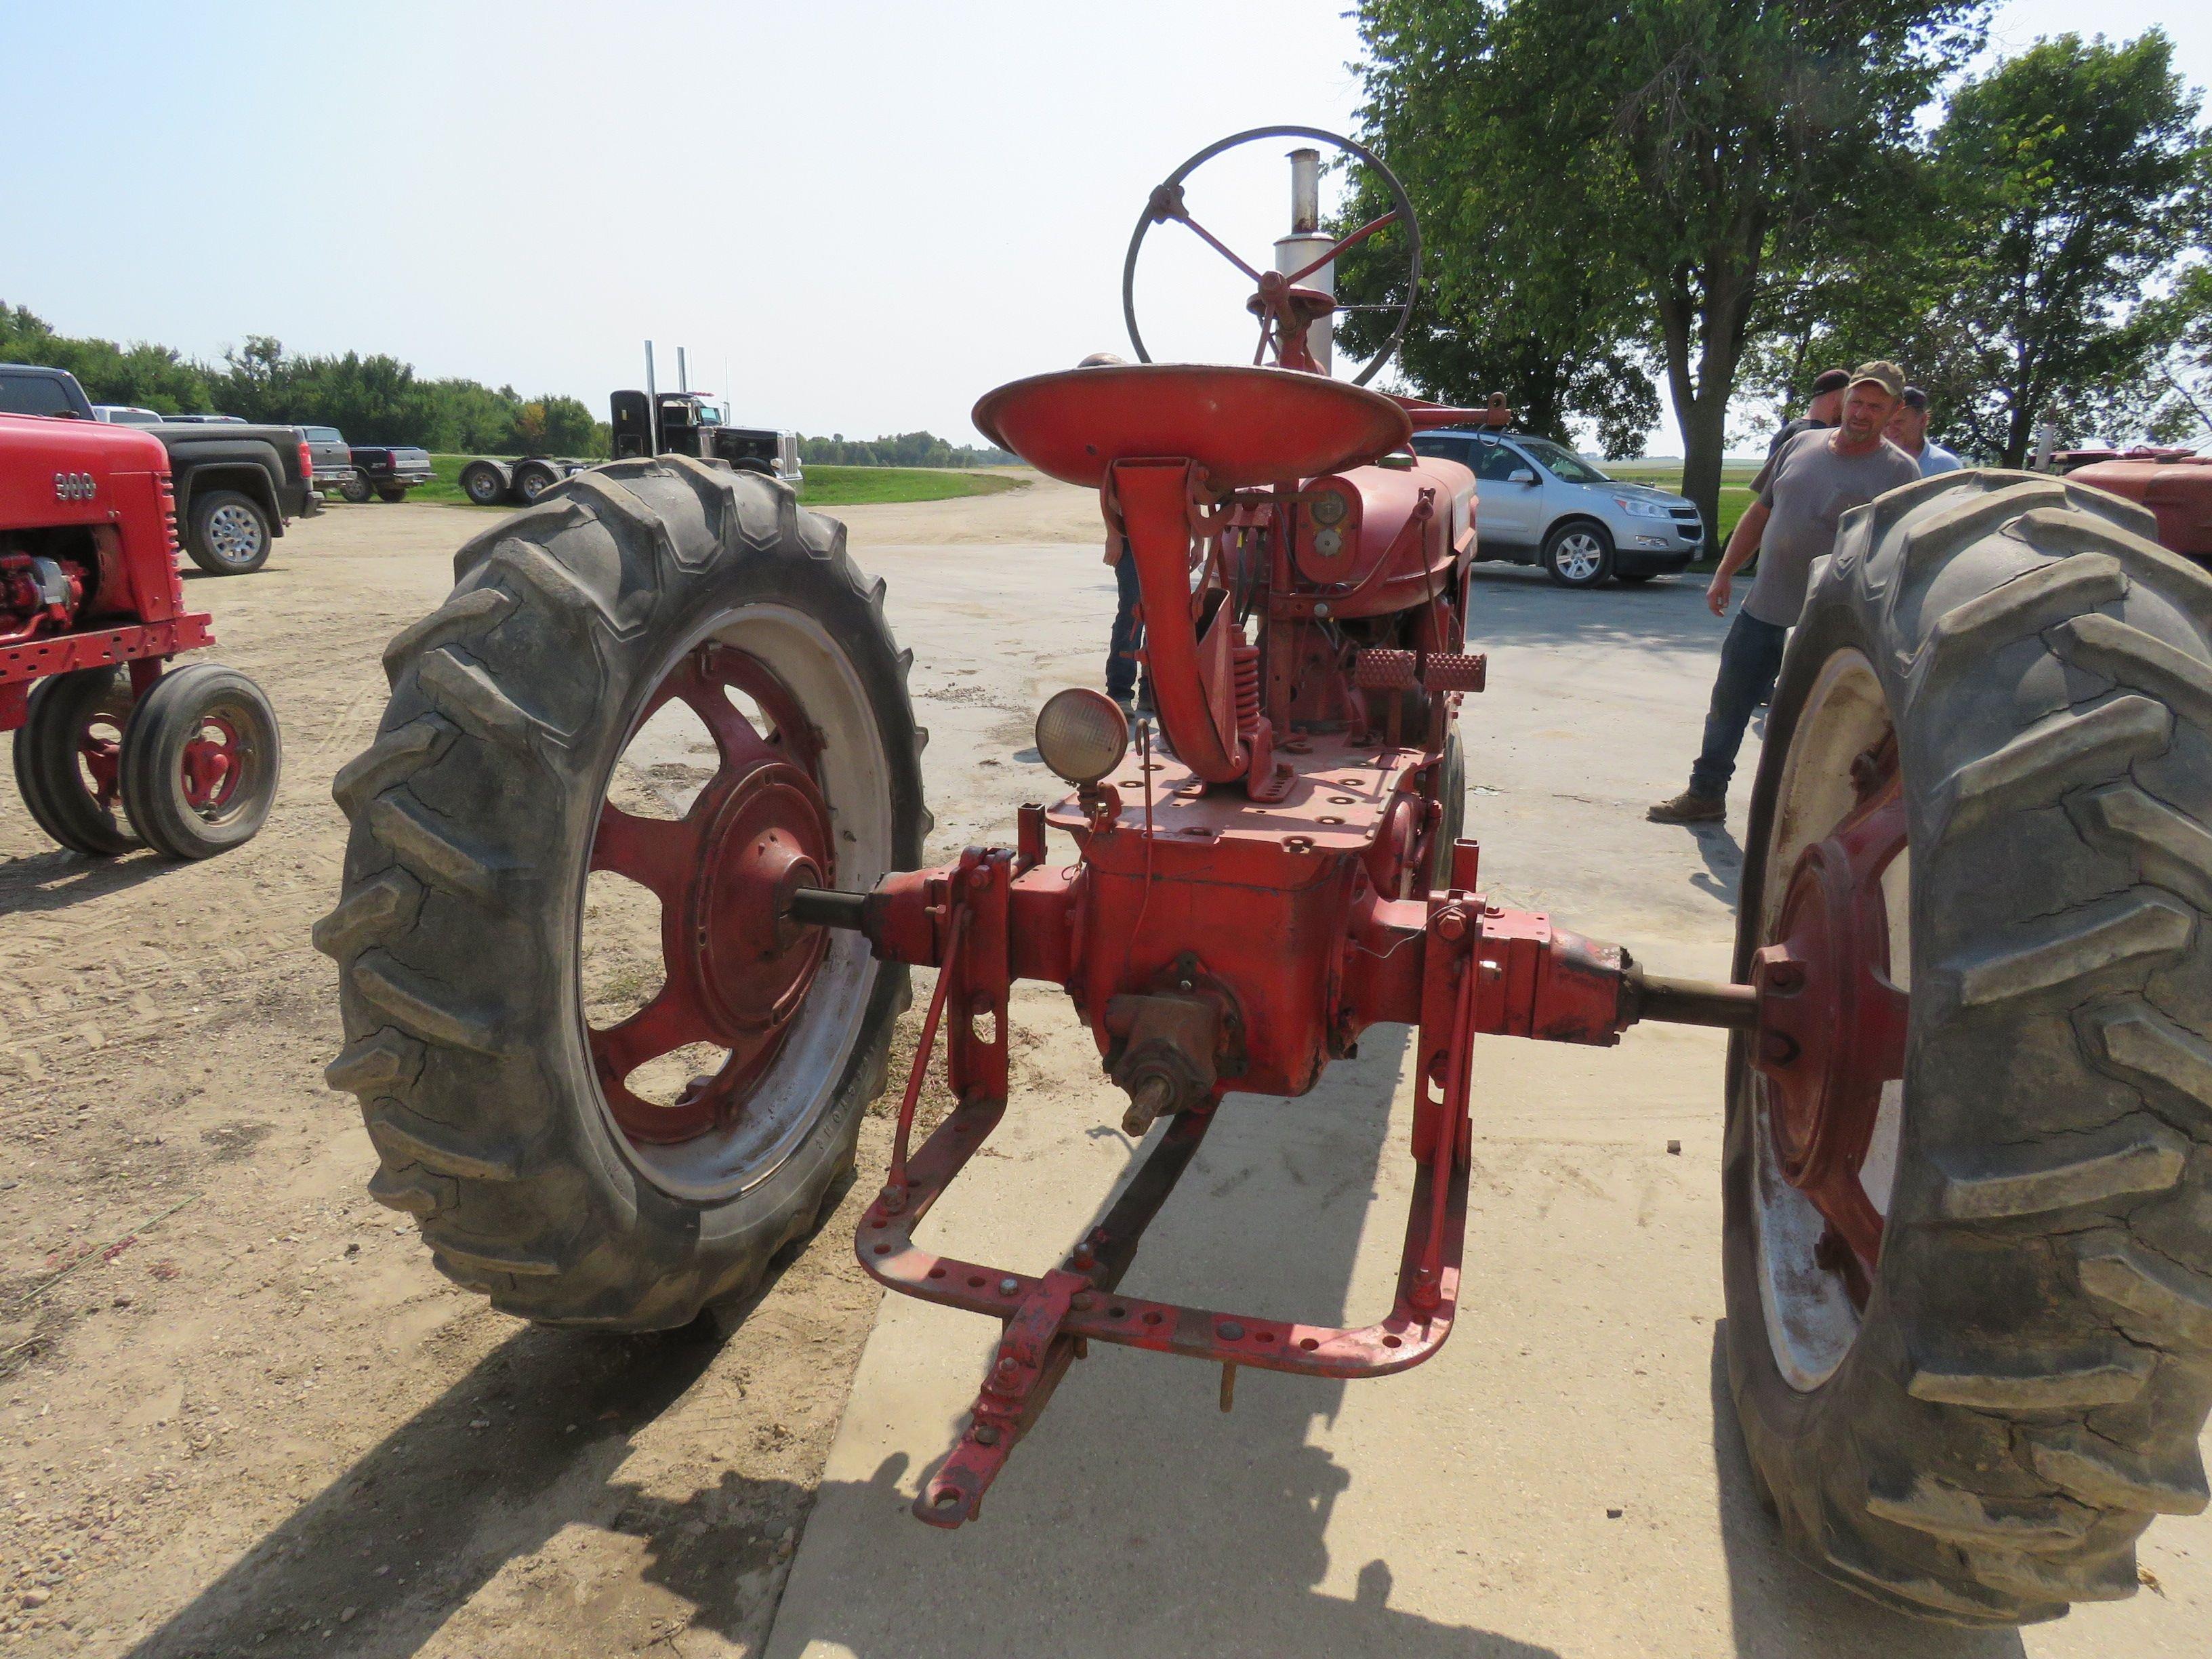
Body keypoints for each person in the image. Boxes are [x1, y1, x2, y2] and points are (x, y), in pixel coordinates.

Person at [1648, 362, 1922, 825]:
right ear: (1843, 401)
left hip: (1834, 623)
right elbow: (1760, 513)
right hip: (1766, 606)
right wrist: (1725, 573)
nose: (1862, 412)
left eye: (1876, 406)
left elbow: (1903, 553)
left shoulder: (1902, 474)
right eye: (1857, 401)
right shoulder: (1801, 444)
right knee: (1729, 704)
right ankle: (1706, 795)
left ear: (1894, 411)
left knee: (1812, 725)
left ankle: (1798, 822)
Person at [1075, 351, 1149, 712]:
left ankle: (1155, 689)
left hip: (1168, 538)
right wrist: (1114, 533)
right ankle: (1121, 690)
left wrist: (1196, 538)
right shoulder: (1110, 433)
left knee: (1168, 615)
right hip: (1133, 539)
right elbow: (1108, 484)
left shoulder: (1147, 425)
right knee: (1133, 611)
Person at [1750, 367, 1850, 495]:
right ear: (1837, 397)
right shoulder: (1817, 436)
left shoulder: (1786, 432)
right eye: (1849, 398)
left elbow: (1765, 489)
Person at [1886, 386, 1963, 476]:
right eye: (1885, 423)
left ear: (1923, 420)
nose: (1890, 430)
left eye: (1899, 422)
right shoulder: (1873, 465)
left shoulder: (1945, 466)